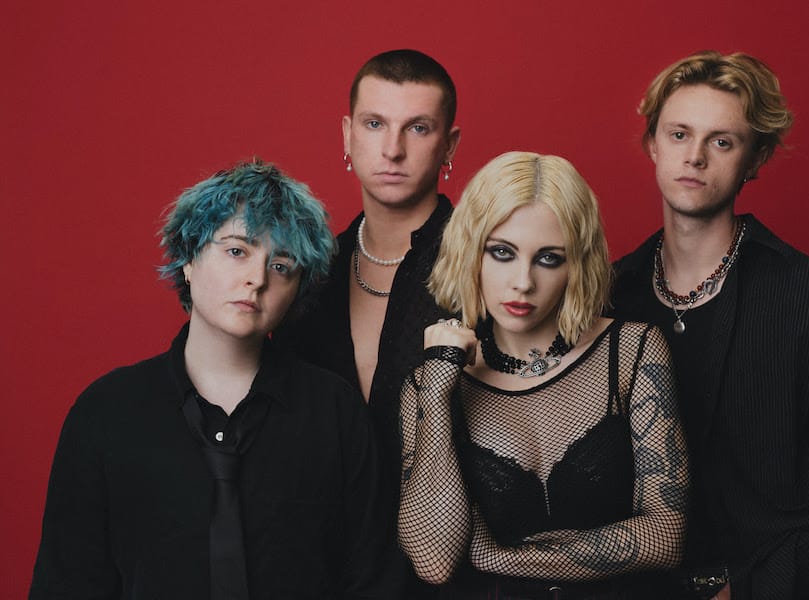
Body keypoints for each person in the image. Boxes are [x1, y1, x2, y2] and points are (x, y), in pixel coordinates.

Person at [609, 51, 809, 600]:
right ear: (653, 145)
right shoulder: (607, 295)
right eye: (680, 134)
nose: (696, 157)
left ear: (755, 158)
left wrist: (779, 581)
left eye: (722, 141)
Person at [30, 160, 394, 599]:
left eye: (281, 266)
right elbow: (67, 583)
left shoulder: (335, 411)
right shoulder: (105, 413)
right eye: (237, 251)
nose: (256, 279)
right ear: (188, 259)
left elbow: (372, 580)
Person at [398, 151, 690, 598]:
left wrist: (503, 557)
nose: (522, 282)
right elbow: (434, 562)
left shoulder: (632, 351)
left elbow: (665, 538)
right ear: (471, 253)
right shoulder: (431, 386)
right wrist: (438, 393)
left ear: (578, 265)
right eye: (502, 253)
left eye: (549, 259)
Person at [276, 49, 461, 596]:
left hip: (455, 577)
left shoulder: (491, 270)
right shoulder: (305, 282)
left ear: (449, 145)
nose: (393, 149)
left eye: (418, 128)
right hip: (329, 575)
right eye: (374, 123)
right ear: (346, 134)